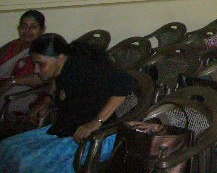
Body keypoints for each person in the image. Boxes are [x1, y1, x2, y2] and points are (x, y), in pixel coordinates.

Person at [0, 33, 134, 173]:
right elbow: (54, 80)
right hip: (67, 128)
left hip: (95, 136)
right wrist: (47, 100)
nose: (36, 69)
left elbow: (125, 83)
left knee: (29, 164)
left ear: (60, 57)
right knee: (7, 147)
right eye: (35, 64)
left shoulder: (86, 69)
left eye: (40, 64)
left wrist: (96, 122)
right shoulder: (61, 67)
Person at [0, 10, 46, 123]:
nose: (27, 31)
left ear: (42, 29)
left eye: (33, 27)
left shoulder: (44, 49)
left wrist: (13, 81)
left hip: (25, 91)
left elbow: (44, 77)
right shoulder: (12, 46)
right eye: (24, 27)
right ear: (18, 28)